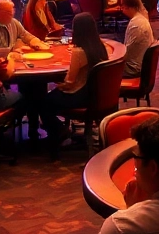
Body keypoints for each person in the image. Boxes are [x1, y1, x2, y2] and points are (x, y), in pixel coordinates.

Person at [42, 13, 109, 142]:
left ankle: (59, 131)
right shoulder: (100, 46)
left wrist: (56, 84)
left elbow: (69, 82)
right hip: (96, 95)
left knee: (42, 102)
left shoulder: (78, 52)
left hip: (79, 96)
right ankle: (59, 130)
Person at [120, 0, 154, 79]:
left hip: (133, 69)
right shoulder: (141, 18)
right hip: (141, 64)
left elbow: (126, 53)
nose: (122, 9)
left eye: (122, 6)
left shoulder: (136, 24)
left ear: (126, 6)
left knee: (101, 71)